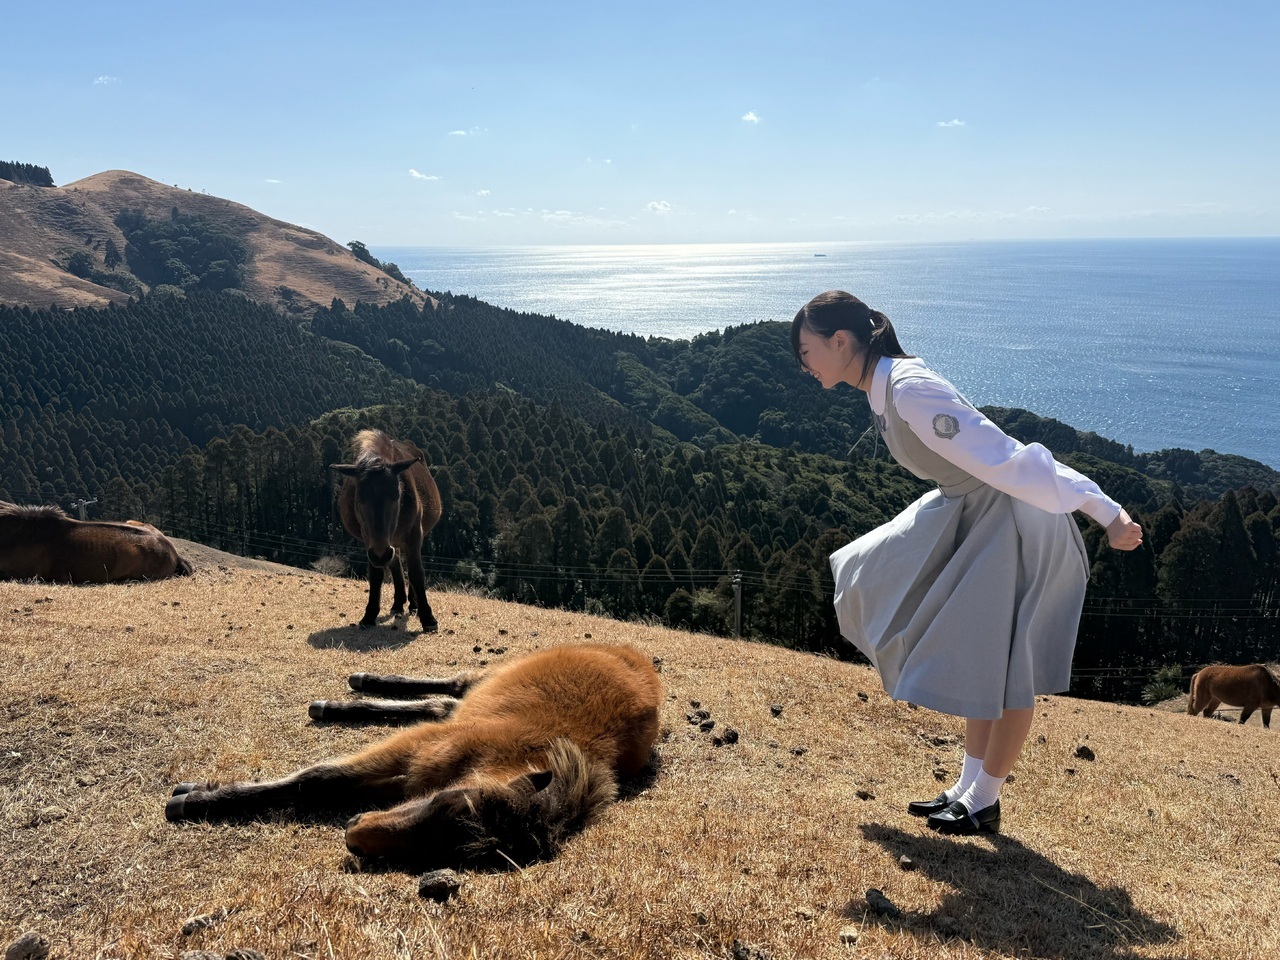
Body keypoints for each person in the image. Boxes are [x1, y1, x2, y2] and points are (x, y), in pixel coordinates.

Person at [792, 290, 1143, 836]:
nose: (805, 366)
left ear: (841, 341)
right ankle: (968, 789)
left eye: (807, 351)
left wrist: (1107, 511)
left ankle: (985, 798)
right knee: (975, 652)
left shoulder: (910, 390)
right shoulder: (882, 389)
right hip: (973, 513)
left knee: (1007, 667)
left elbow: (1010, 458)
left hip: (1010, 520)